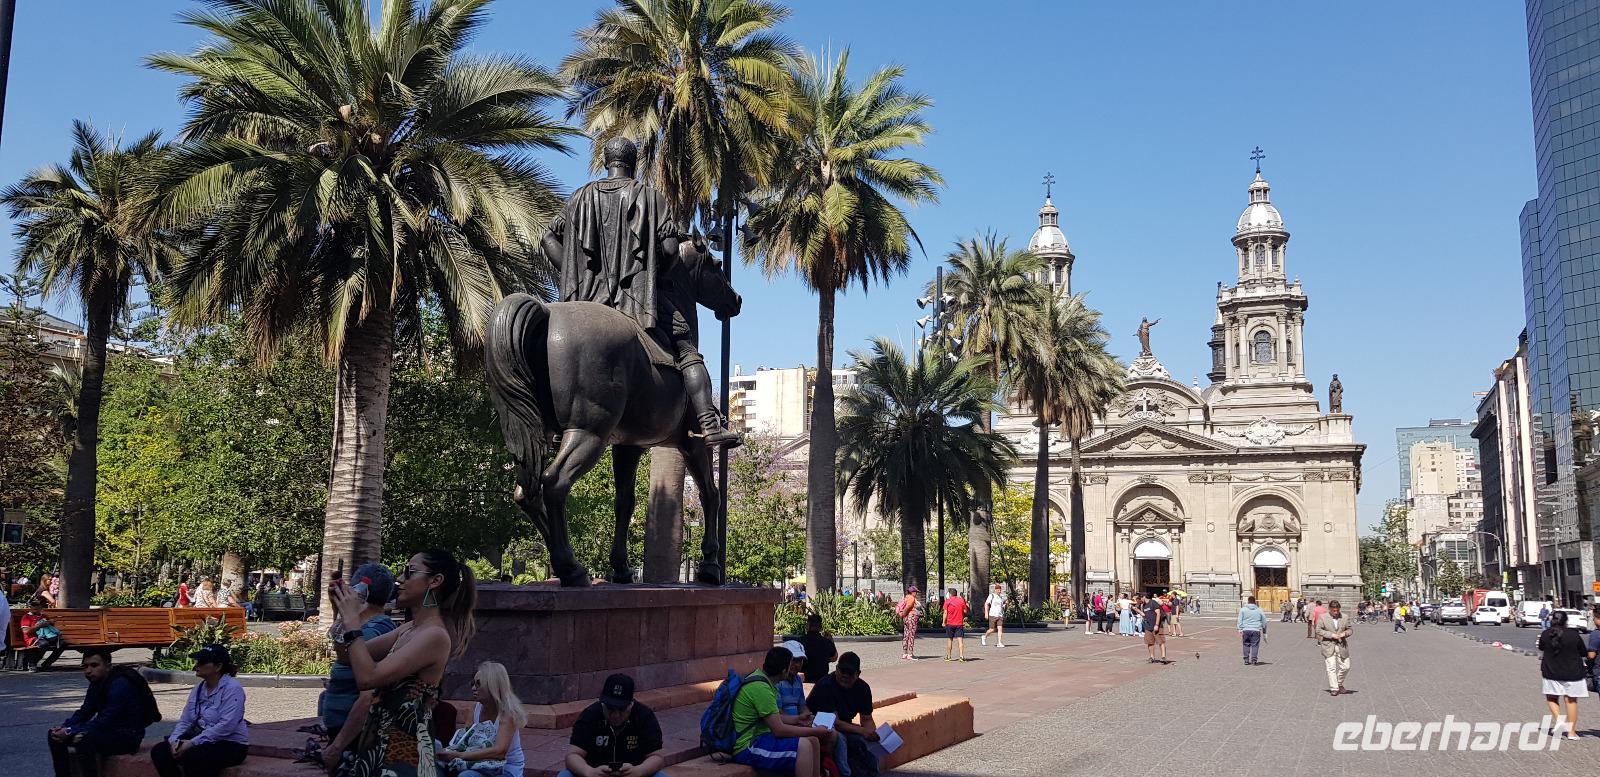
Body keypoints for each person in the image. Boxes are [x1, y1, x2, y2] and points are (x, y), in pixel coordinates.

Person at [541, 135, 738, 448]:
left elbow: (548, 239)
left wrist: (572, 274)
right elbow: (672, 250)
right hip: (635, 302)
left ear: (606, 162)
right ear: (634, 164)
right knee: (688, 351)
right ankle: (709, 425)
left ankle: (553, 424)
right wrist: (650, 274)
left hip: (585, 297)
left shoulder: (579, 197)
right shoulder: (648, 196)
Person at [329, 548, 478, 777]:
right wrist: (343, 614)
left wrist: (352, 622)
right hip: (379, 745)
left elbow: (367, 678)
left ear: (435, 581)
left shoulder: (434, 636)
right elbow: (348, 657)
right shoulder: (408, 629)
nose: (399, 579)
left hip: (405, 755)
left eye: (409, 572)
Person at [319, 562, 399, 767]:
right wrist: (340, 609)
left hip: (355, 737)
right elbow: (342, 642)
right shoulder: (364, 624)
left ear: (360, 591)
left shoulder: (376, 628)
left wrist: (337, 747)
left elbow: (366, 697)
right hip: (343, 730)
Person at [49, 649, 160, 777]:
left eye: (94, 665)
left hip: (127, 737)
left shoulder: (121, 684)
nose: (88, 671)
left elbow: (106, 719)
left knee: (84, 740)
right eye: (85, 667)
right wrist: (64, 727)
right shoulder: (97, 682)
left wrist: (72, 731)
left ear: (108, 666)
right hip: (106, 731)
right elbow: (85, 711)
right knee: (54, 736)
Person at [730, 647, 830, 777]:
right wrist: (815, 730)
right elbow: (779, 730)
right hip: (748, 746)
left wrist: (798, 719)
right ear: (784, 671)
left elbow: (774, 718)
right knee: (804, 746)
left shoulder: (764, 680)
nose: (792, 668)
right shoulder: (761, 688)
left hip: (761, 738)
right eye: (790, 665)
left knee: (813, 741)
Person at [152, 644, 249, 777]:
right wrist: (174, 741)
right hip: (202, 739)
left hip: (230, 744)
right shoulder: (198, 688)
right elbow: (186, 720)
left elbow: (227, 726)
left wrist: (192, 743)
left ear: (218, 667)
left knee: (194, 757)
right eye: (197, 661)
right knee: (161, 751)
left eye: (202, 662)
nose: (196, 665)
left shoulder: (232, 688)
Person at [562, 673, 664, 777]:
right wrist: (588, 771)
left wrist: (640, 770)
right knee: (565, 775)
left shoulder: (644, 716)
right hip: (596, 772)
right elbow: (573, 755)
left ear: (631, 704)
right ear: (602, 703)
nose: (615, 715)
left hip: (633, 773)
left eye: (622, 709)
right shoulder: (590, 715)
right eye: (610, 709)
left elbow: (656, 756)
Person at [439, 661, 527, 777]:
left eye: (478, 684)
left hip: (505, 768)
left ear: (492, 685)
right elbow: (466, 741)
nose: (473, 688)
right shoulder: (475, 709)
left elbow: (499, 752)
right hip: (479, 764)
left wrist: (459, 756)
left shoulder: (507, 714)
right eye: (472, 683)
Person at [806, 652, 880, 777]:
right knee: (843, 740)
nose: (845, 676)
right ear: (836, 669)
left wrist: (871, 733)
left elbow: (867, 719)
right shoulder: (826, 685)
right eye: (842, 671)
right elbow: (835, 722)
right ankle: (845, 774)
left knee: (869, 744)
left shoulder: (863, 688)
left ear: (858, 674)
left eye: (850, 673)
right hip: (823, 726)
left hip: (844, 726)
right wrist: (862, 731)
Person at [776, 641, 840, 772]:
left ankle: (826, 766)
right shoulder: (777, 682)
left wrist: (809, 716)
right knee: (811, 739)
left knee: (832, 733)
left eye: (800, 661)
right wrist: (799, 720)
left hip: (798, 721)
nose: (797, 665)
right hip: (787, 724)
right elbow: (778, 714)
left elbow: (802, 705)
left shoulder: (798, 680)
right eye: (794, 660)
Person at [1537, 610, 1587, 740]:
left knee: (1552, 697)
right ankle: (1571, 733)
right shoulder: (1574, 635)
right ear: (1566, 621)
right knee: (1571, 701)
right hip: (1573, 672)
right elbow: (1583, 652)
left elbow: (1541, 647)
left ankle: (1559, 720)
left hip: (1551, 671)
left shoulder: (1545, 634)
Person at [1314, 600, 1353, 696]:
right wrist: (1331, 635)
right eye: (1334, 611)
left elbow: (1350, 629)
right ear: (1329, 609)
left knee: (1346, 666)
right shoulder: (1323, 617)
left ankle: (1339, 683)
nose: (1336, 612)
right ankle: (1334, 688)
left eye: (1337, 610)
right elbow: (1318, 630)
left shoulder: (1344, 617)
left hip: (1341, 645)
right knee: (1331, 667)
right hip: (1328, 645)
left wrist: (1345, 633)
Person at [20, 596, 62, 671]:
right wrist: (39, 626)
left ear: (41, 607)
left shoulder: (44, 616)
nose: (35, 607)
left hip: (46, 637)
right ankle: (32, 663)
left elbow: (49, 629)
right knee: (44, 644)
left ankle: (47, 663)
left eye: (37, 605)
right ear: (30, 607)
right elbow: (26, 631)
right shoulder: (26, 617)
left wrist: (50, 623)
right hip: (32, 639)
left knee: (62, 644)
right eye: (33, 605)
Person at [797, 614, 837, 684]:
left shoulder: (800, 641)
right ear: (820, 627)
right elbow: (834, 658)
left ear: (808, 625)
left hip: (805, 679)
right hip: (822, 679)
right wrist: (831, 641)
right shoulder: (826, 641)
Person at [1237, 595, 1268, 666]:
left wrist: (1240, 629)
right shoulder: (1259, 610)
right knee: (1255, 645)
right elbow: (1264, 621)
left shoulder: (1243, 609)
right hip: (1256, 630)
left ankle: (1246, 660)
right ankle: (1254, 660)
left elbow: (1239, 620)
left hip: (1246, 629)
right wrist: (1264, 631)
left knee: (1246, 645)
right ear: (1255, 602)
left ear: (1248, 601)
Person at [942, 587, 968, 662]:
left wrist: (944, 622)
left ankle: (949, 656)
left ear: (950, 594)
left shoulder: (947, 601)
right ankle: (961, 656)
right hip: (959, 623)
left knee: (950, 639)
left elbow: (945, 613)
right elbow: (965, 611)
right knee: (960, 640)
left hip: (950, 623)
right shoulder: (961, 601)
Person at [896, 587, 920, 660]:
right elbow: (908, 607)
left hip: (906, 618)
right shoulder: (911, 598)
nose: (916, 593)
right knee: (911, 636)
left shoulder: (906, 597)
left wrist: (903, 615)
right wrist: (903, 613)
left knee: (906, 635)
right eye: (916, 592)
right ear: (912, 592)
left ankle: (905, 653)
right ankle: (910, 654)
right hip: (911, 617)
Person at [1142, 593, 1167, 664]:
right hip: (1148, 626)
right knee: (1150, 642)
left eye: (1140, 597)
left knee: (1161, 641)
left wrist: (1156, 624)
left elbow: (1158, 613)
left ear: (1144, 597)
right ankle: (1152, 657)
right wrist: (1137, 610)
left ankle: (1163, 657)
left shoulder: (1153, 603)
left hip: (1157, 626)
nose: (1140, 599)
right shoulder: (1144, 605)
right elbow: (1144, 615)